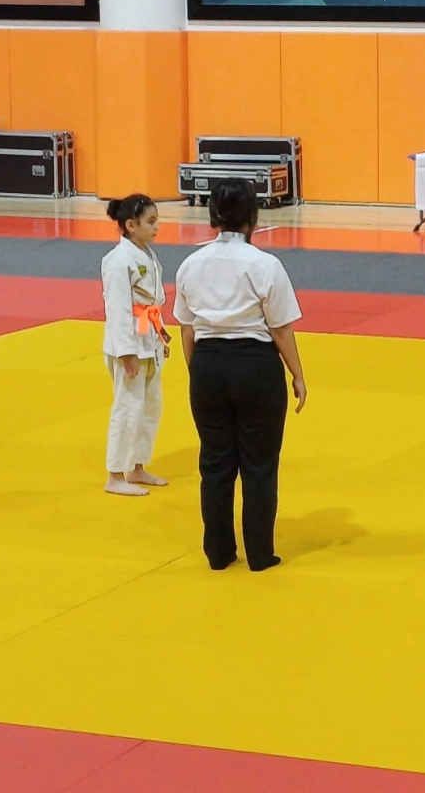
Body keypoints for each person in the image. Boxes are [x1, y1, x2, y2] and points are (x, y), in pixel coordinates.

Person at [174, 178, 308, 572]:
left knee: (215, 464)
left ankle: (218, 552)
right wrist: (297, 374)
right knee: (259, 464)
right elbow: (280, 328)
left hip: (208, 364)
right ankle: (260, 553)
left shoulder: (190, 264)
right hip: (255, 367)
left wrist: (198, 370)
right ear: (253, 217)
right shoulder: (264, 265)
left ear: (213, 217)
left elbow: (186, 328)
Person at [101, 193, 171, 497]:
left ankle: (137, 467)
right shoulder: (118, 260)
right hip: (129, 343)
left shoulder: (146, 254)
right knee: (127, 408)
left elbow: (152, 303)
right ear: (131, 225)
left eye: (157, 220)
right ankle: (115, 475)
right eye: (151, 221)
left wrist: (161, 336)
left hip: (149, 337)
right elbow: (117, 309)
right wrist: (126, 352)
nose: (157, 227)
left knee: (149, 408)